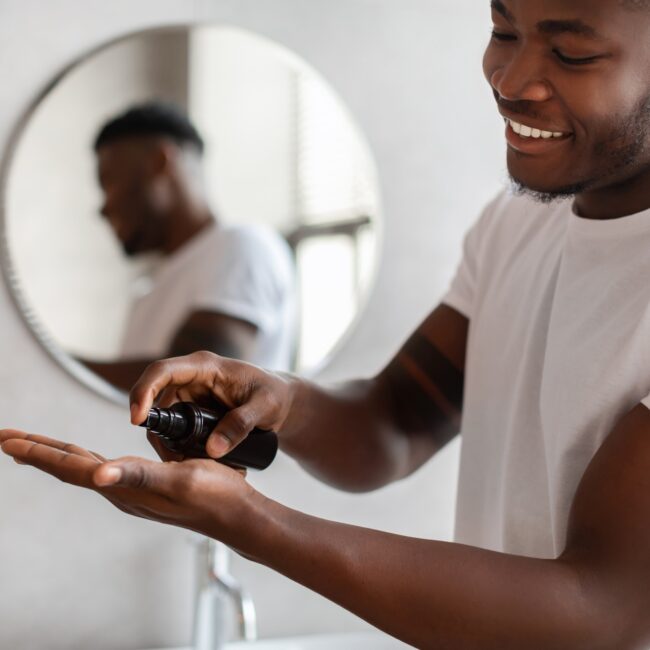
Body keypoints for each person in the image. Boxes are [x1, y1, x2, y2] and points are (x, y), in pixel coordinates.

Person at [3, 1, 650, 647]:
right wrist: (284, 399)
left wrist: (253, 523)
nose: (509, 79)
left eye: (571, 53)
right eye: (503, 30)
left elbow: (602, 611)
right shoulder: (518, 220)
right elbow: (393, 421)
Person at [80, 102, 297, 388]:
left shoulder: (242, 246)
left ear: (159, 163)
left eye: (108, 183)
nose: (103, 208)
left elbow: (194, 383)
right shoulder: (148, 291)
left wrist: (41, 361)